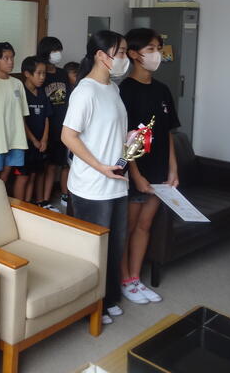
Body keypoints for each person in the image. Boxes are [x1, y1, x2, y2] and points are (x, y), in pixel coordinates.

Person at [61, 30, 129, 325]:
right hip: (92, 185)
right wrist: (100, 167)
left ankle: (108, 298)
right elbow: (68, 136)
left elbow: (109, 131)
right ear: (102, 55)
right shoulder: (85, 91)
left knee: (114, 247)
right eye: (121, 52)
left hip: (117, 182)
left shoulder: (113, 88)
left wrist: (132, 140)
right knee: (92, 250)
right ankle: (89, 306)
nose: (126, 58)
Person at [119, 29, 180, 305]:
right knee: (129, 227)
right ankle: (123, 279)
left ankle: (135, 277)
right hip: (136, 172)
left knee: (145, 225)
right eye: (151, 49)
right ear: (134, 54)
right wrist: (136, 175)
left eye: (158, 48)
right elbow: (124, 138)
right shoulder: (125, 91)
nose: (157, 54)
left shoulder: (162, 89)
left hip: (158, 172)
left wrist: (173, 170)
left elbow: (168, 133)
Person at [0, 42, 29, 187]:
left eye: (12, 57)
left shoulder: (18, 84)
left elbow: (22, 113)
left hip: (16, 138)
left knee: (5, 178)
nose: (11, 62)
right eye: (6, 58)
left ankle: (3, 199)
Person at [37, 37, 71, 208]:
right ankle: (44, 199)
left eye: (59, 50)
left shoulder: (62, 73)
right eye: (54, 50)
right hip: (47, 126)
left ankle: (62, 195)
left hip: (63, 125)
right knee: (48, 166)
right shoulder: (41, 75)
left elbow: (69, 98)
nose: (58, 54)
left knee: (63, 163)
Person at [19, 56, 54, 206]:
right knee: (26, 176)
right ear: (27, 73)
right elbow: (21, 120)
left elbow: (47, 117)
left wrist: (44, 139)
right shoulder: (21, 92)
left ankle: (35, 203)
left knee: (37, 173)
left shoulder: (42, 93)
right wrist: (33, 140)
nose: (42, 77)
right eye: (39, 73)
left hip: (41, 142)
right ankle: (24, 205)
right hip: (27, 142)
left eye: (44, 73)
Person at [60, 61, 80, 206]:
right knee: (66, 165)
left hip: (78, 133)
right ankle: (64, 194)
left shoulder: (80, 90)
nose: (77, 77)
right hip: (67, 132)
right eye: (74, 74)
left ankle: (73, 193)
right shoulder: (65, 92)